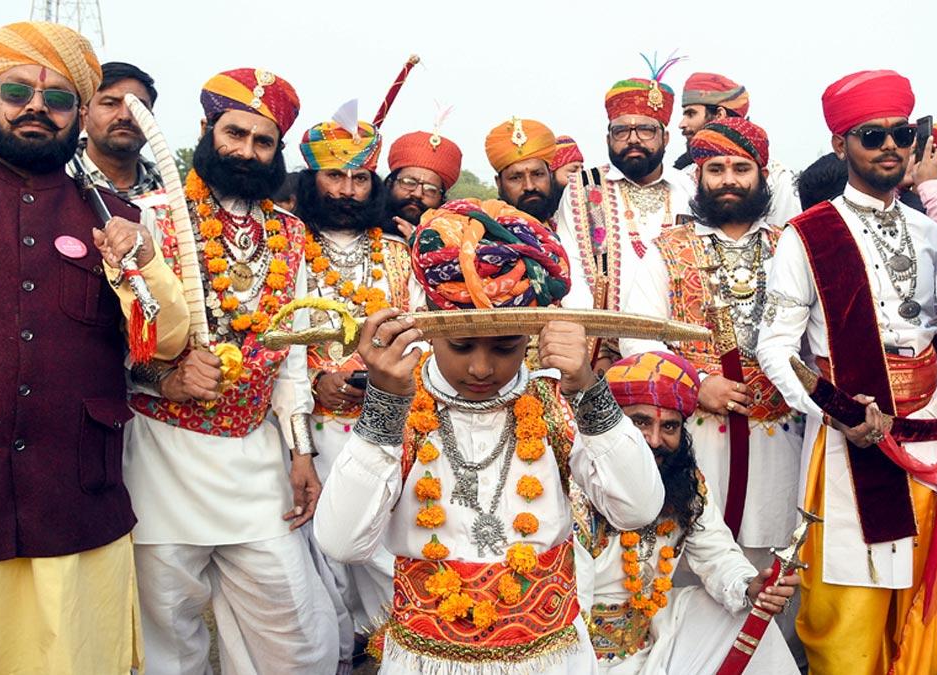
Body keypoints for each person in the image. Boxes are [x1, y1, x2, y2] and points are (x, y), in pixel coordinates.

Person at [313, 198, 665, 674]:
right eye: (460, 345)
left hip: (548, 658)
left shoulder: (556, 404)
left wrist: (588, 389)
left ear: (531, 339)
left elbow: (638, 508)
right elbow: (340, 542)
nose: (481, 368)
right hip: (426, 660)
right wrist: (385, 404)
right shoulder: (403, 407)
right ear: (427, 331)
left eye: (505, 347)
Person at [756, 69, 937, 675]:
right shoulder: (807, 236)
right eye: (872, 135)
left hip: (932, 436)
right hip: (851, 438)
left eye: (901, 134)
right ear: (841, 145)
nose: (891, 146)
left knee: (926, 594)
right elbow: (776, 347)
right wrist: (839, 414)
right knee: (849, 609)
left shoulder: (924, 229)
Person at [0, 20, 190, 673]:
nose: (36, 108)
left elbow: (171, 339)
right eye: (16, 91)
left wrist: (144, 261)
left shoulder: (110, 214)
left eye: (59, 99)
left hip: (73, 499)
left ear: (77, 115)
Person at [123, 67, 340, 674]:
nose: (246, 150)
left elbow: (293, 353)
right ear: (206, 130)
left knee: (295, 633)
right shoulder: (149, 217)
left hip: (257, 459)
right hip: (163, 457)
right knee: (167, 636)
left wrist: (301, 453)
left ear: (277, 152)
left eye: (262, 141)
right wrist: (164, 378)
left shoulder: (291, 234)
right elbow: (114, 340)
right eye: (234, 133)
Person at [619, 118, 804, 580]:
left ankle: (771, 655)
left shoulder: (794, 247)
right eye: (715, 169)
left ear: (762, 175)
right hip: (694, 430)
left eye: (741, 168)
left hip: (782, 432)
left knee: (774, 557)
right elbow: (637, 340)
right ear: (698, 178)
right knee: (687, 552)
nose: (729, 180)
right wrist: (697, 385)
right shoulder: (665, 250)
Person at [294, 109, 425, 671]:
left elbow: (424, 332)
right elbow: (268, 340)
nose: (348, 189)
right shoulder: (287, 244)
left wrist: (390, 377)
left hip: (389, 427)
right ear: (312, 181)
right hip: (306, 433)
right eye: (335, 177)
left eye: (360, 178)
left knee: (384, 556)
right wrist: (316, 379)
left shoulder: (401, 253)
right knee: (320, 568)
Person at [576, 351, 799, 675]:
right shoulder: (579, 482)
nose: (654, 440)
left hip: (649, 642)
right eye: (640, 423)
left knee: (738, 613)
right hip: (572, 655)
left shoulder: (685, 484)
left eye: (669, 426)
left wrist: (749, 585)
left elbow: (717, 553)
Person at [555, 64, 695, 331]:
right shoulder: (582, 187)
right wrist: (596, 343)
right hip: (603, 346)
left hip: (681, 342)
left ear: (665, 137)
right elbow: (572, 272)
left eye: (645, 130)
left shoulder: (691, 189)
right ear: (608, 138)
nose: (633, 139)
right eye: (621, 131)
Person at [674, 71, 802, 226]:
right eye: (715, 170)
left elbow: (785, 238)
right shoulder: (682, 178)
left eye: (691, 114)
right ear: (699, 174)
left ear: (719, 114)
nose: (682, 124)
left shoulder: (778, 179)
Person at [69, 60, 163, 204]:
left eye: (137, 106)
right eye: (110, 104)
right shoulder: (56, 179)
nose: (125, 116)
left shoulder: (173, 194)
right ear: (84, 114)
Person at [383, 128, 462, 236]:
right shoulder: (359, 228)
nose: (417, 194)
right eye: (409, 182)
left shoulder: (452, 240)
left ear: (442, 198)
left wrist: (418, 245)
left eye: (430, 189)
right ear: (390, 184)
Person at [485, 116, 560, 223]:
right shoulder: (482, 232)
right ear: (499, 183)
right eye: (516, 178)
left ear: (551, 175)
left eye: (538, 174)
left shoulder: (575, 226)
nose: (529, 186)